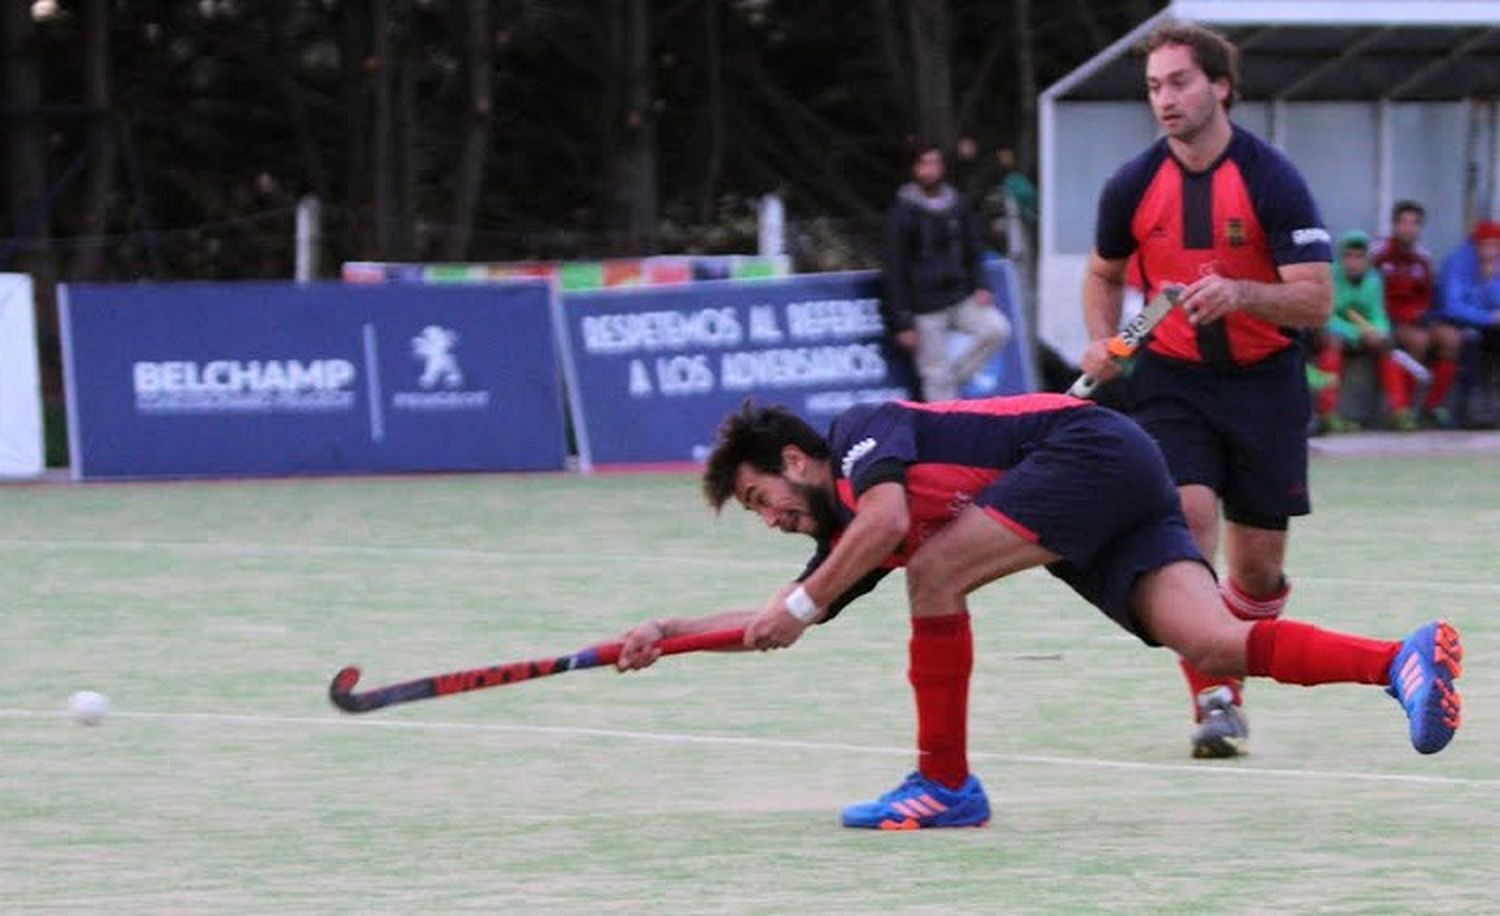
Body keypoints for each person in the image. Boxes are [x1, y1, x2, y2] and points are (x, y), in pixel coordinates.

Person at [615, 398, 1463, 829]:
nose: (771, 519)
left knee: (935, 575)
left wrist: (803, 601)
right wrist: (669, 636)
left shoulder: (861, 437)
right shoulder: (850, 539)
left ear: (796, 459)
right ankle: (1398, 661)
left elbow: (884, 528)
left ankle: (944, 787)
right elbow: (777, 617)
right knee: (1211, 641)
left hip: (1090, 451)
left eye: (764, 498)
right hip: (1107, 488)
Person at [1079, 22, 1335, 758]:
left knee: (1255, 565)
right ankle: (1214, 699)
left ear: (1220, 87)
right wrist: (1103, 340)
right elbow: (1102, 272)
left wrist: (1242, 296)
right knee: (1187, 518)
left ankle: (1235, 666)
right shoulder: (1131, 184)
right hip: (1170, 382)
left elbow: (1315, 300)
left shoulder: (1271, 178)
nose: (1165, 98)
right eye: (1155, 86)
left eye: (1180, 82)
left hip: (1265, 386)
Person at [883, 144, 1011, 403]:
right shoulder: (902, 212)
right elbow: (895, 269)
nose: (930, 170)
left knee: (997, 330)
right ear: (914, 169)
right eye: (924, 164)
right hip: (924, 307)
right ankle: (943, 426)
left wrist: (981, 284)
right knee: (934, 376)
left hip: (960, 296)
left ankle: (952, 378)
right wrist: (902, 321)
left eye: (935, 163)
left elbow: (973, 248)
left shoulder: (957, 205)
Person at [1374, 201, 1462, 427]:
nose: (1409, 228)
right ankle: (1402, 410)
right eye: (1403, 223)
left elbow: (1429, 295)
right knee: (1419, 341)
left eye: (1414, 224)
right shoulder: (1379, 254)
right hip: (1390, 320)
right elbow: (1371, 293)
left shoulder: (1423, 258)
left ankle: (1432, 408)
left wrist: (1424, 315)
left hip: (1419, 319)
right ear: (1394, 226)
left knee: (1452, 339)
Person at [1310, 230, 1402, 431]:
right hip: (1331, 332)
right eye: (1348, 256)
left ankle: (1399, 411)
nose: (1353, 262)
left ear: (1367, 260)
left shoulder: (1374, 280)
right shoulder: (1330, 276)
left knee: (1387, 343)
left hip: (1362, 335)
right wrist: (1358, 333)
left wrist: (1379, 332)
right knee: (1333, 340)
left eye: (1359, 257)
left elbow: (1378, 313)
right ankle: (1328, 413)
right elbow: (1326, 315)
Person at [1436, 220, 1500, 424]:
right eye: (1485, 245)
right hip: (1458, 323)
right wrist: (1488, 317)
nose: (1490, 251)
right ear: (1476, 244)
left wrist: (1490, 282)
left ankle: (1493, 401)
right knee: (1471, 339)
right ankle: (1471, 404)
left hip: (1491, 326)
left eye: (1495, 246)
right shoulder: (1458, 263)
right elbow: (1452, 306)